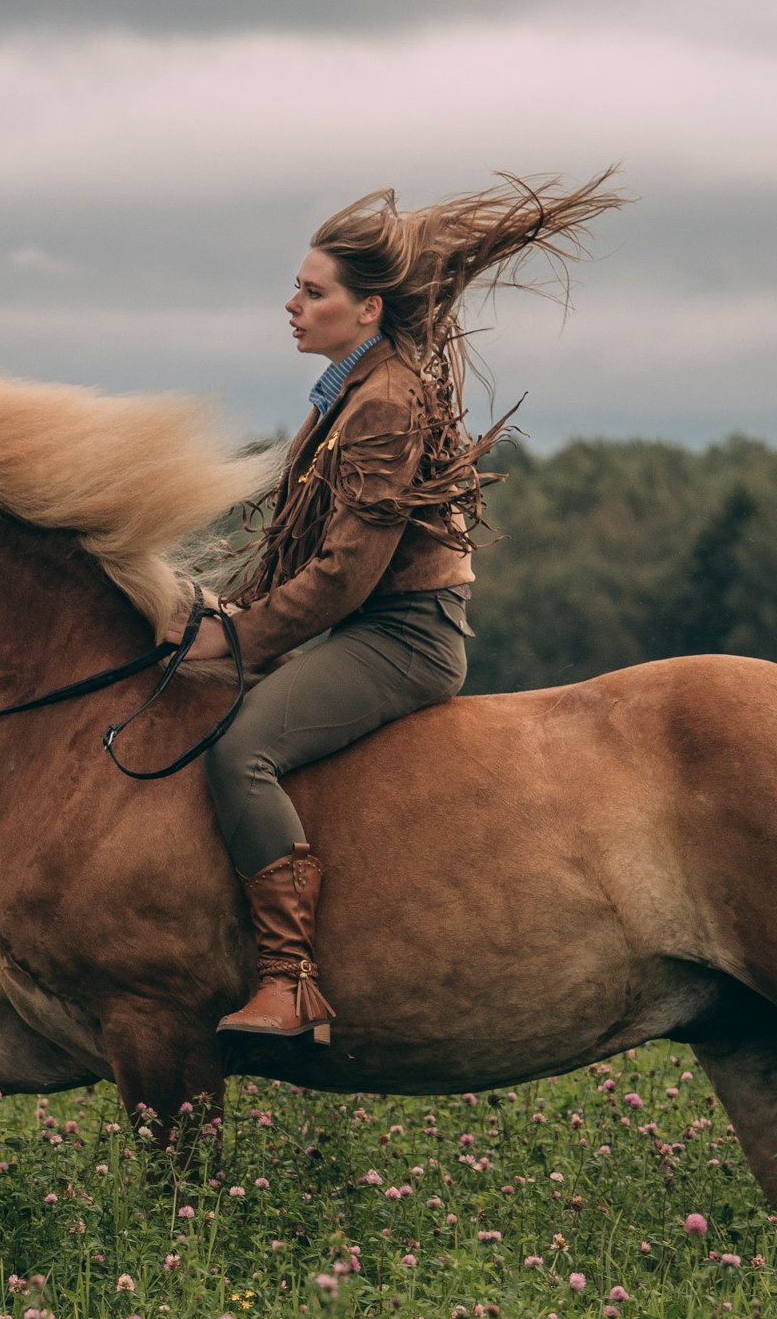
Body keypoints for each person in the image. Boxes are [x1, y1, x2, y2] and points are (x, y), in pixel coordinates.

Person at [189, 171, 626, 1041]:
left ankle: (289, 981)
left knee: (241, 750)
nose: (292, 305)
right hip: (368, 625)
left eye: (312, 293)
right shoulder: (352, 388)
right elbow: (298, 548)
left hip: (403, 638)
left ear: (368, 310)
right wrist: (213, 612)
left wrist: (236, 637)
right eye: (298, 289)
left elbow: (347, 573)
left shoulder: (384, 401)